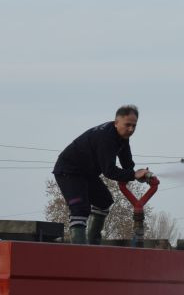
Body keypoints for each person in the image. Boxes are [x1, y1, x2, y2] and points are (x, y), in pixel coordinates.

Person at [53, 105, 158, 244]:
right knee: (80, 209)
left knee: (104, 201)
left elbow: (127, 164)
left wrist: (139, 174)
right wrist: (133, 175)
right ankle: (80, 251)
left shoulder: (123, 137)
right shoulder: (106, 137)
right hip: (69, 170)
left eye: (134, 126)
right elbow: (109, 171)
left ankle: (93, 243)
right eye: (127, 125)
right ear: (116, 123)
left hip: (87, 173)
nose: (131, 129)